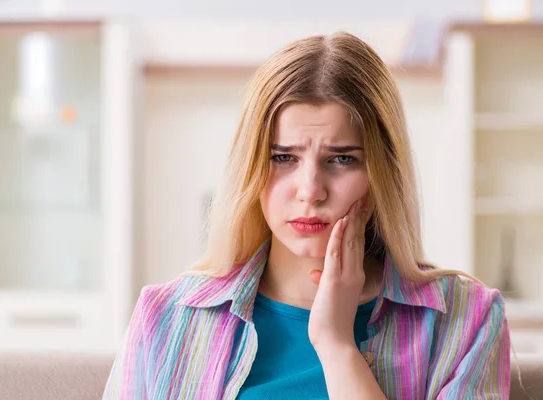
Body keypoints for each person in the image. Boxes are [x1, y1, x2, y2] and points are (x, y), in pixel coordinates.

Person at [102, 31, 511, 399]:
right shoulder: (167, 316)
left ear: (382, 172)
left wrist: (336, 346)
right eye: (283, 157)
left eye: (342, 159)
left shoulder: (466, 320)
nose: (310, 190)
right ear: (250, 168)